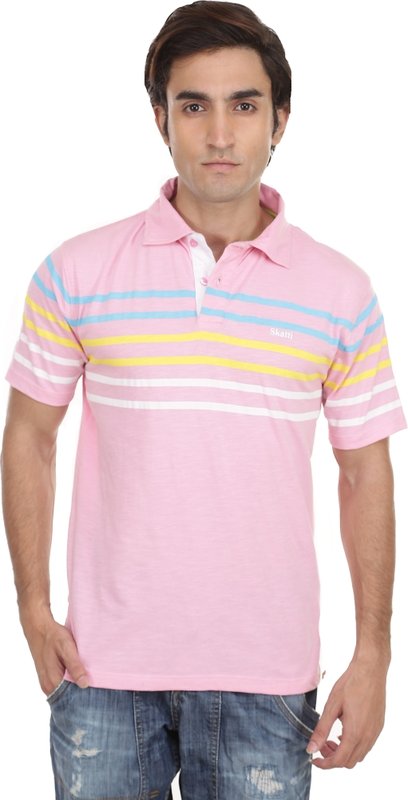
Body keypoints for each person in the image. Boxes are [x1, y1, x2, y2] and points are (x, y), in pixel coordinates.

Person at [1, 1, 406, 798]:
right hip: (101, 670)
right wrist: (32, 607)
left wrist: (374, 654)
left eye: (244, 106)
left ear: (280, 120)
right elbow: (29, 437)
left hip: (267, 676)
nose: (220, 134)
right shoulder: (76, 271)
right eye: (194, 106)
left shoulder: (341, 292)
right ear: (161, 118)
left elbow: (366, 474)